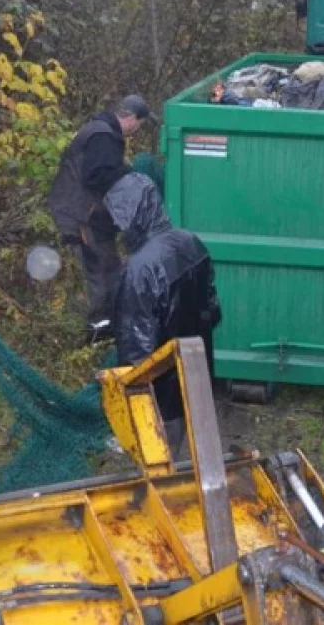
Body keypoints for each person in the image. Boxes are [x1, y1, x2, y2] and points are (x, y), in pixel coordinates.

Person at [105, 173, 221, 456]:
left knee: (159, 463)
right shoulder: (190, 242)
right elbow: (213, 310)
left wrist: (132, 395)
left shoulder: (140, 269)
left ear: (133, 216)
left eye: (120, 219)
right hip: (195, 375)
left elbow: (137, 346)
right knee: (191, 450)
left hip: (160, 393)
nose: (118, 228)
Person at [48, 94, 156, 338]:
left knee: (106, 268)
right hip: (81, 216)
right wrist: (128, 177)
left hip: (79, 212)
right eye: (139, 124)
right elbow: (96, 176)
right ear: (130, 119)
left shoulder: (99, 130)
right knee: (100, 272)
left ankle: (100, 329)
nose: (137, 130)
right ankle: (94, 334)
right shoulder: (104, 137)